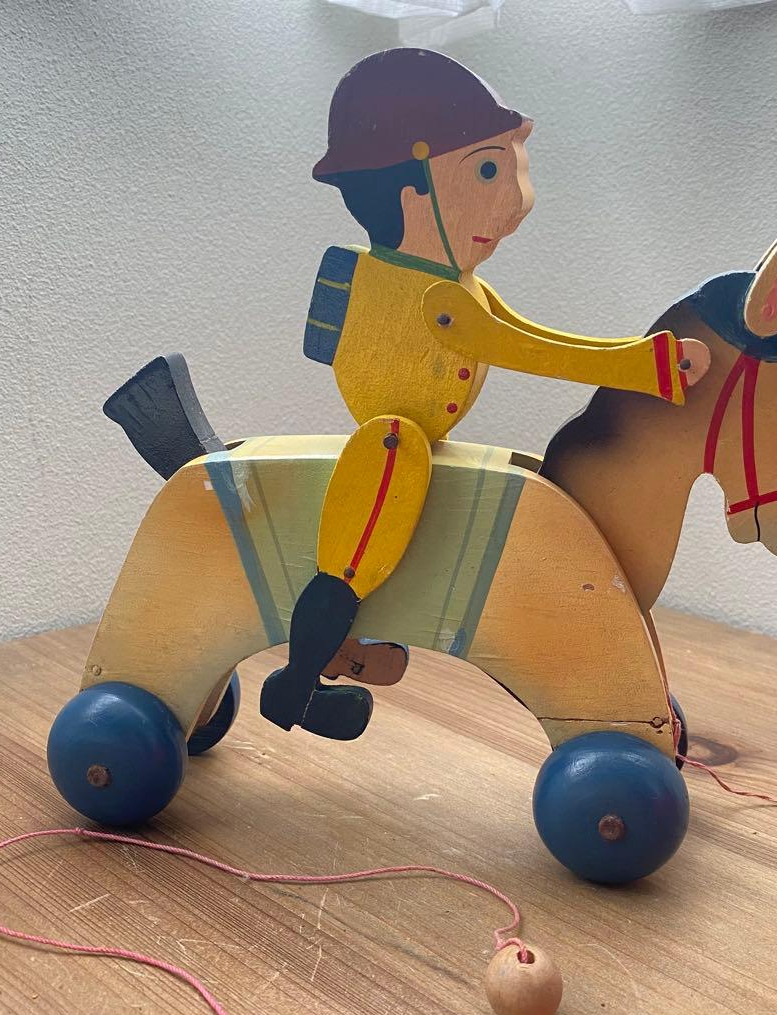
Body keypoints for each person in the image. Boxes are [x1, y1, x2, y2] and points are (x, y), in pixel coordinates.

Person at [261, 49, 711, 741]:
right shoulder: (438, 298)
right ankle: (296, 687)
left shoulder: (457, 286)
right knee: (361, 537)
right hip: (392, 437)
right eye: (489, 171)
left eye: (513, 170)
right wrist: (641, 368)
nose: (517, 205)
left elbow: (529, 333)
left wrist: (636, 359)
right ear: (414, 188)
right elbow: (528, 352)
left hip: (422, 436)